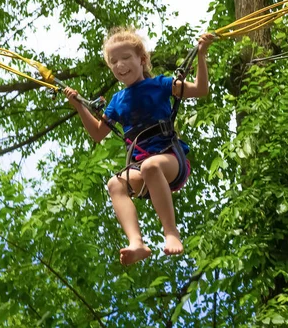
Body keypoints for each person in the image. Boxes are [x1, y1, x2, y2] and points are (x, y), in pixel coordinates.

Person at [64, 27, 214, 265]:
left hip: (170, 160)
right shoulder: (117, 101)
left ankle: (171, 232)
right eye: (113, 61)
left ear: (142, 60)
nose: (119, 65)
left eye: (125, 58)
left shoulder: (160, 84)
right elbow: (97, 133)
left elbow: (201, 89)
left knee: (151, 167)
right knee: (115, 184)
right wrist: (80, 106)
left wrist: (202, 55)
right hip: (141, 165)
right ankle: (137, 243)